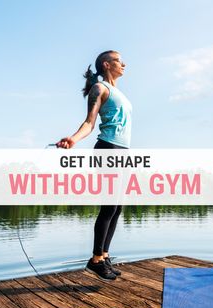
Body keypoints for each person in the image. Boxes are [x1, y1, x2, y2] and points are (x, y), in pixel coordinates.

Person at [57, 50, 132, 281]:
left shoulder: (118, 92)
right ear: (107, 64)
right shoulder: (100, 89)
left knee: (117, 207)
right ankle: (96, 259)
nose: (124, 64)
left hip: (122, 150)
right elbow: (89, 122)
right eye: (120, 61)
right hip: (108, 148)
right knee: (109, 206)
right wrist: (73, 139)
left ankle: (105, 255)